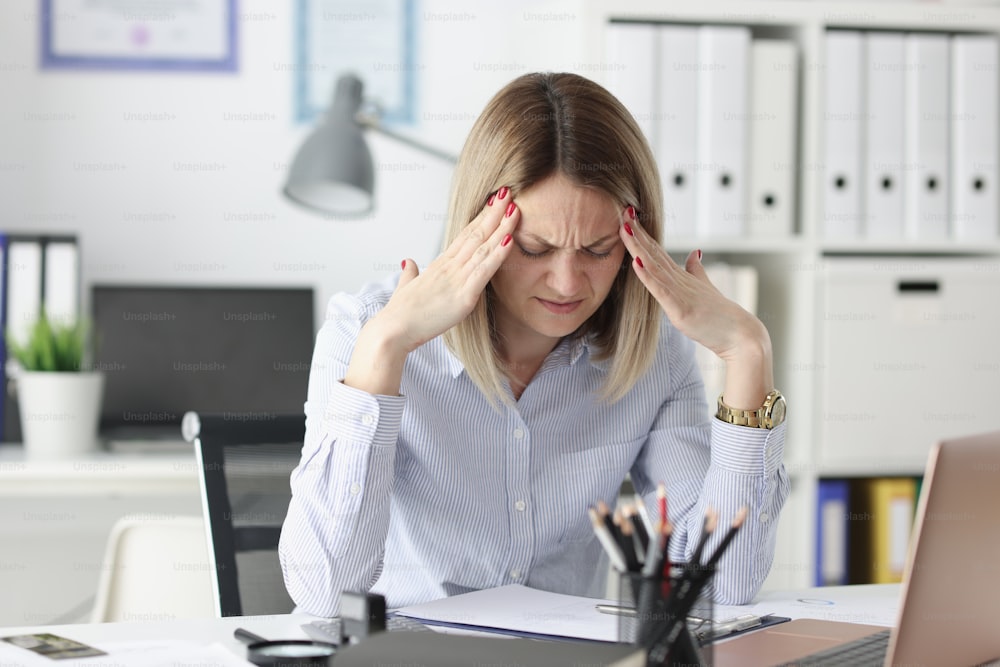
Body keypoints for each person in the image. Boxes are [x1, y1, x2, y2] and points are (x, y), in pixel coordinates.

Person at [278, 72, 790, 617]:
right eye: (534, 247)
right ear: (480, 227)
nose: (568, 284)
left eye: (597, 250)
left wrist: (747, 352)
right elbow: (324, 594)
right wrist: (383, 350)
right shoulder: (365, 331)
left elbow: (719, 585)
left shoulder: (653, 351)